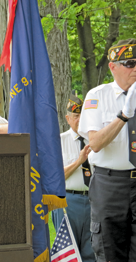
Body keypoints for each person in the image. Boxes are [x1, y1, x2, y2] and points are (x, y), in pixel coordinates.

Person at [78, 38, 136, 262]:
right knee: (109, 250)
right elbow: (95, 144)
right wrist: (124, 115)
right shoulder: (97, 96)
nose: (135, 69)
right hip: (111, 184)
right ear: (113, 67)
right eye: (130, 63)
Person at [51, 94, 95, 262]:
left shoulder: (95, 141)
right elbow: (56, 177)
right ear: (68, 118)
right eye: (76, 117)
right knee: (68, 251)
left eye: (83, 116)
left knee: (91, 251)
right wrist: (79, 161)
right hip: (68, 201)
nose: (80, 120)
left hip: (92, 201)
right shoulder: (59, 141)